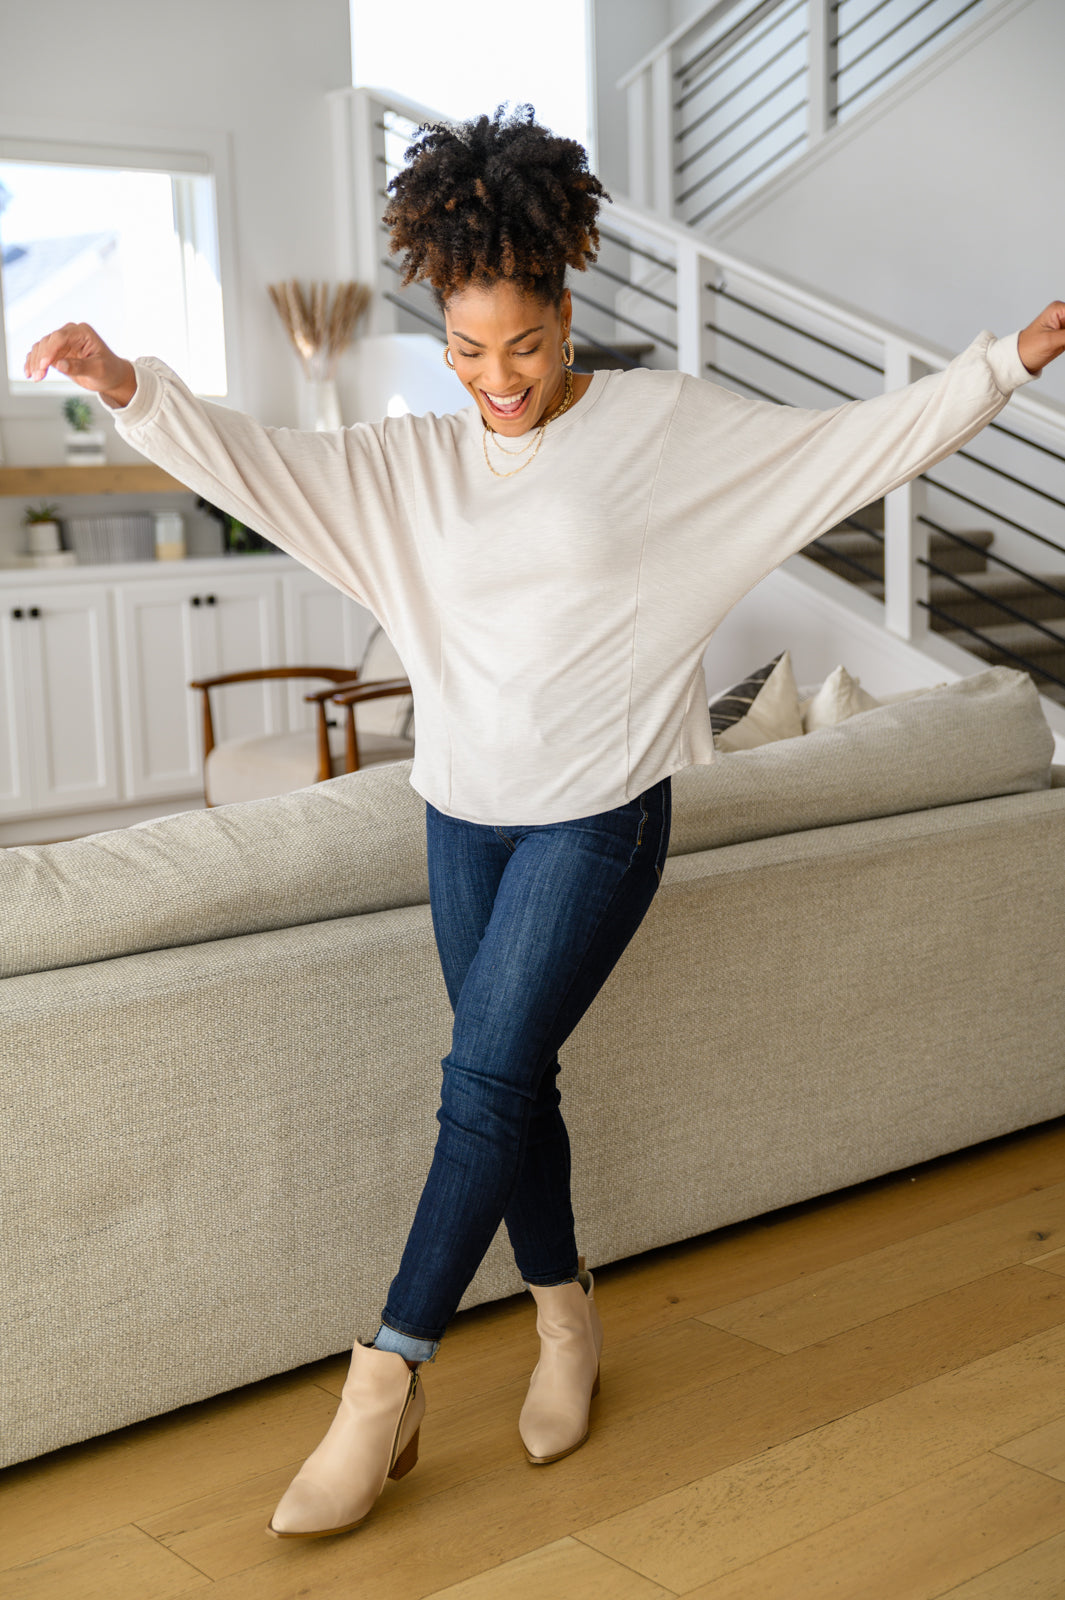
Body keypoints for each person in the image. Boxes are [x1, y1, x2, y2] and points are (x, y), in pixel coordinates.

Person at [25, 105, 1065, 1542]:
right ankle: (567, 1321)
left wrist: (994, 369)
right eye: (464, 350)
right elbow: (259, 463)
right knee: (515, 1088)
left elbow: (843, 451)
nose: (495, 380)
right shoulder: (412, 461)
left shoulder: (666, 430)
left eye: (522, 344)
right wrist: (130, 384)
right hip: (461, 814)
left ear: (567, 311)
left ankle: (382, 1381)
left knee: (479, 1080)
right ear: (439, 330)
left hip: (599, 818)